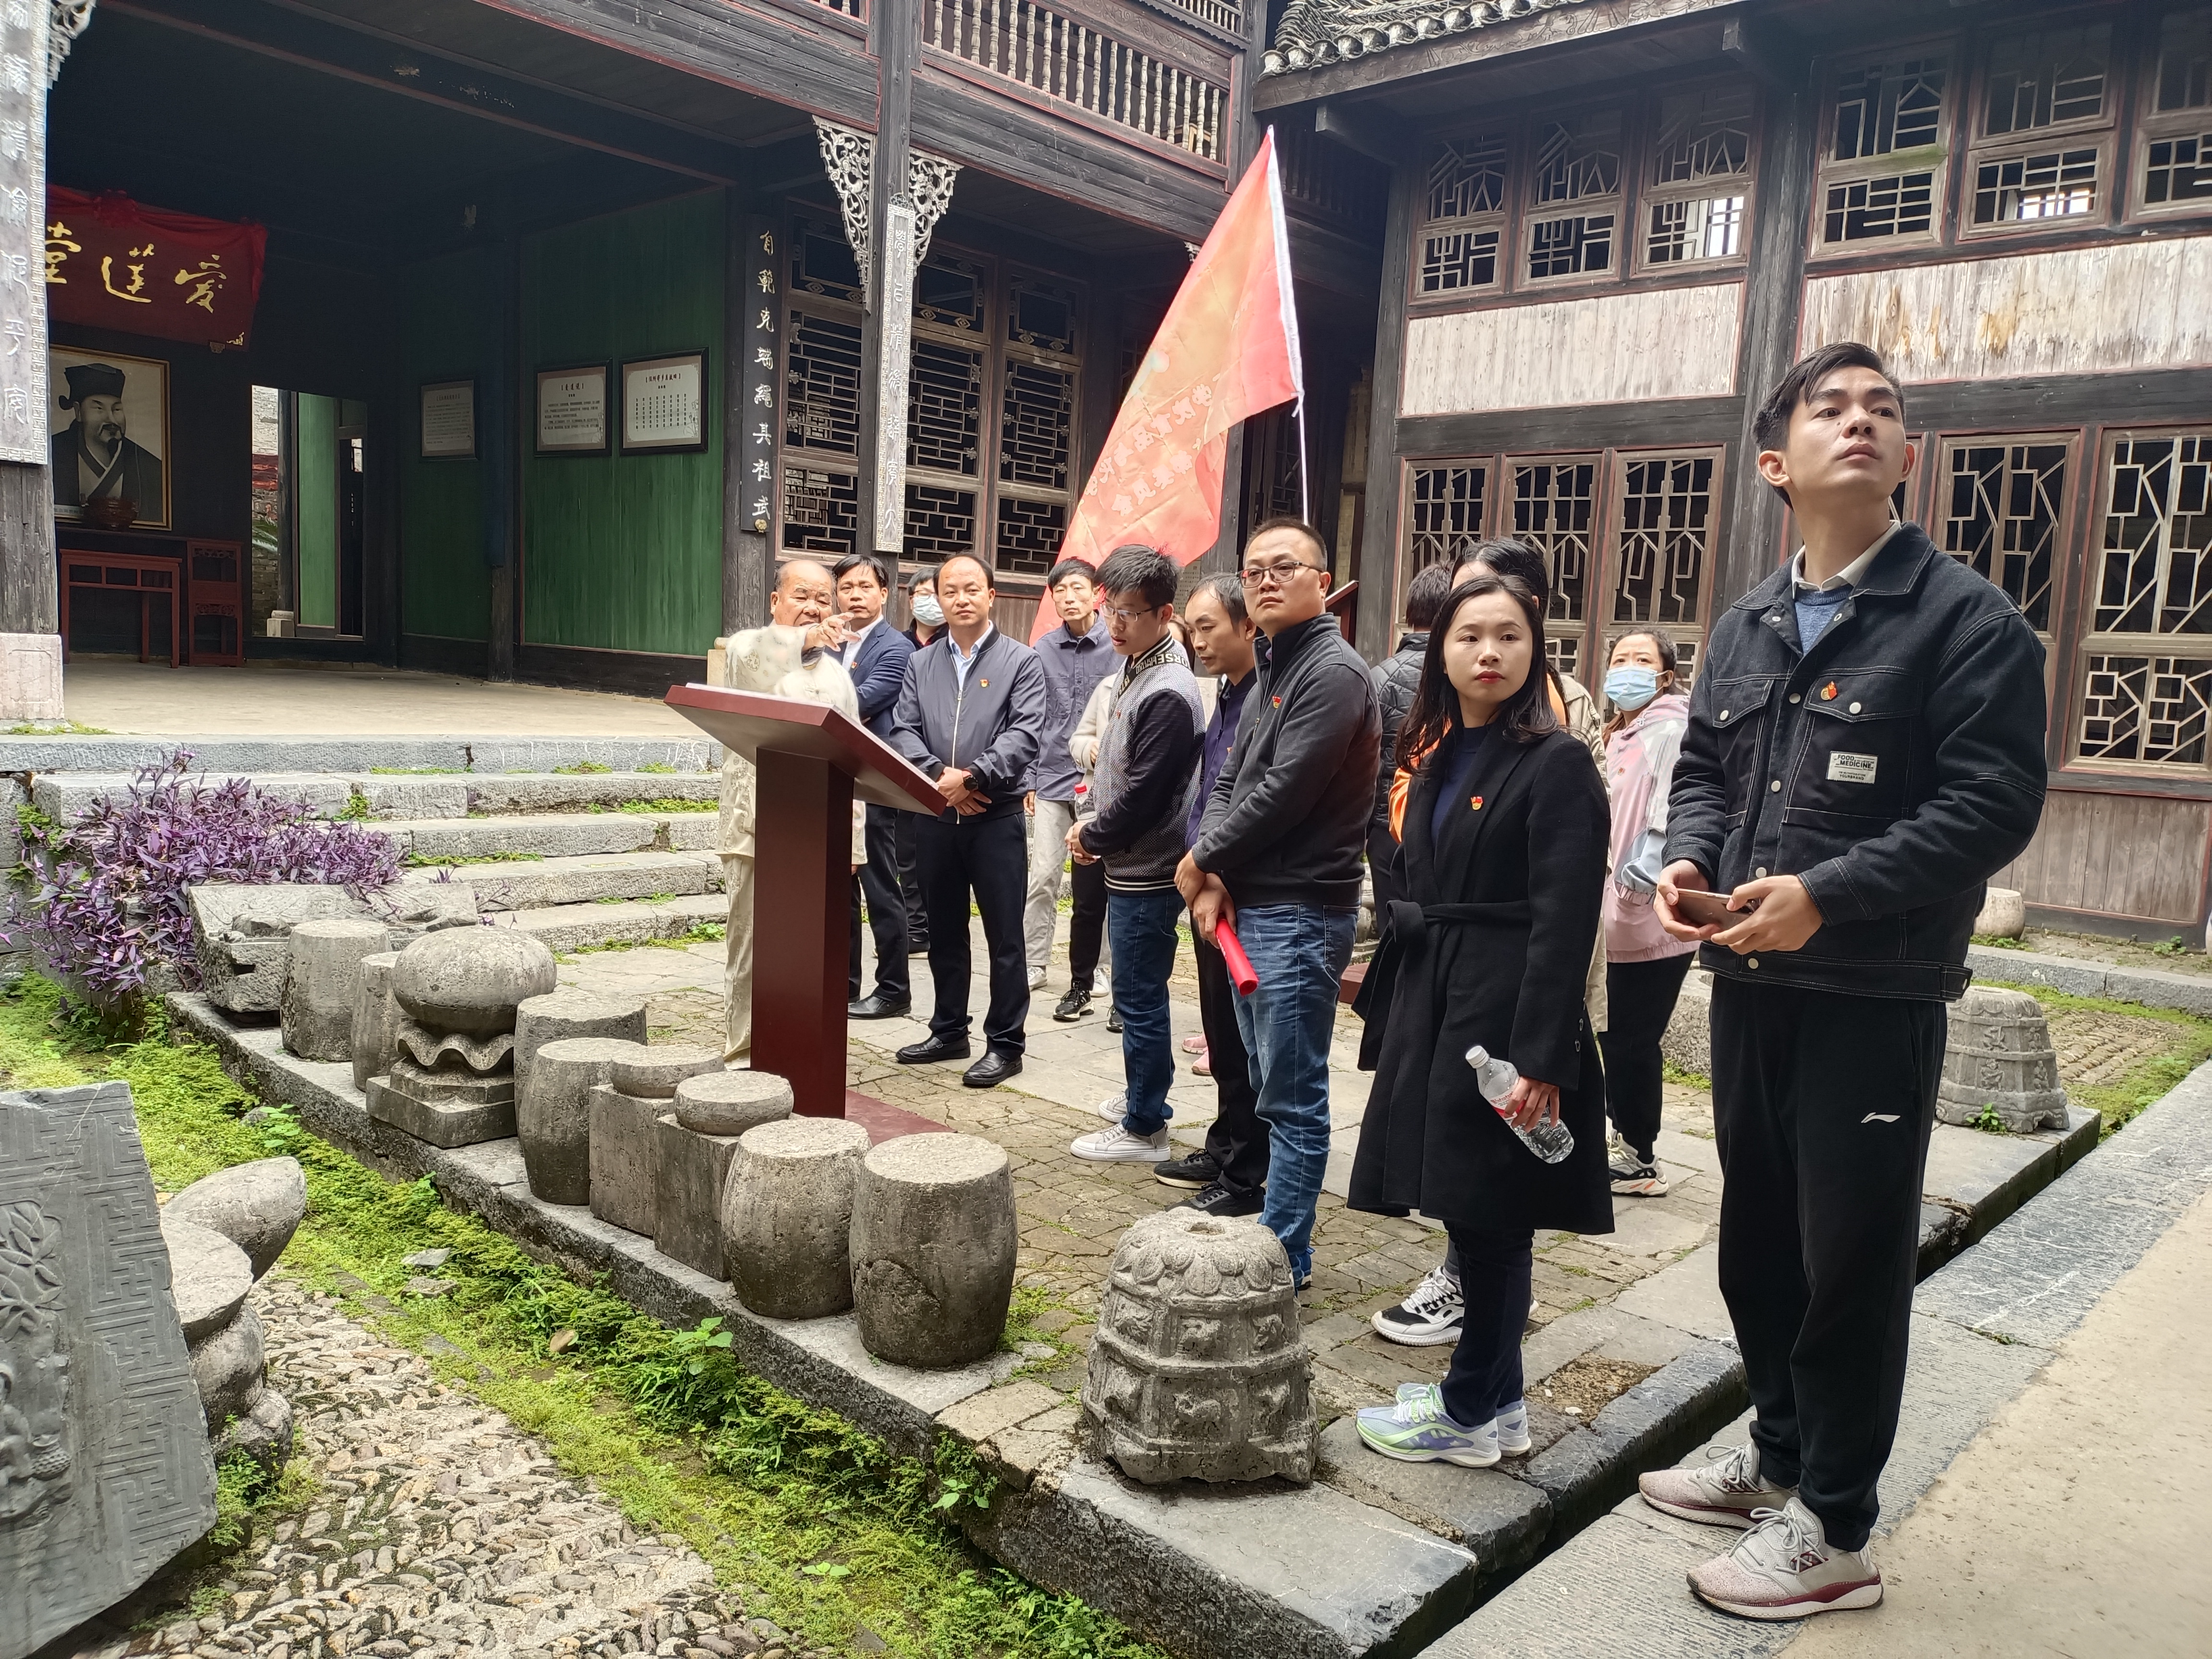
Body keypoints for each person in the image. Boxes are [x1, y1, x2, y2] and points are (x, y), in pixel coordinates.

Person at [1638, 342, 2046, 1621]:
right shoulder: (1751, 621)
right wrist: (1689, 855)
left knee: (1850, 1261)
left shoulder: (1964, 620)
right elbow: (1704, 763)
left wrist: (1833, 895)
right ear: (1779, 462)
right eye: (1830, 408)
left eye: (1883, 410)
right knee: (1757, 1246)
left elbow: (1993, 805)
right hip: (1752, 983)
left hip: (1872, 994)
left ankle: (1838, 1530)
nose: (1859, 422)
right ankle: (1778, 1457)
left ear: (1906, 457)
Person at [1347, 571, 1611, 1468]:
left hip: (1502, 1007)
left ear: (1535, 650)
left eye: (1507, 636)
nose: (1488, 652)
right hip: (1438, 992)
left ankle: (1465, 1412)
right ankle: (1494, 1407)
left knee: (1495, 1216)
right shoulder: (1434, 750)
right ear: (1439, 650)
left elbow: (1565, 915)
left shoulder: (1557, 762)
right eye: (1469, 637)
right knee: (1470, 1212)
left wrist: (1541, 1054)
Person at [1176, 517, 1380, 1287]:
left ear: (1321, 582)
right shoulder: (1272, 668)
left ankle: (1285, 1253)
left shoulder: (1334, 672)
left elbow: (1285, 792)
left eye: (1284, 566)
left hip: (1300, 908)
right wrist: (1217, 872)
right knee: (1263, 1082)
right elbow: (1232, 778)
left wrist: (1203, 858)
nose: (1265, 578)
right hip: (1253, 900)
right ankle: (1276, 1231)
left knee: (1292, 1097)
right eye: (1254, 567)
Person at [887, 554, 1048, 1088]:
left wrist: (974, 778)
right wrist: (942, 779)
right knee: (945, 931)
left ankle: (1006, 1044)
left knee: (1005, 936)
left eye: (970, 588)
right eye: (949, 589)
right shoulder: (921, 662)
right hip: (936, 813)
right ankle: (950, 1029)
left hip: (995, 816)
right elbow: (903, 729)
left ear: (990, 595)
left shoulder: (1021, 662)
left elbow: (1024, 735)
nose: (959, 598)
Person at [1066, 547, 1204, 1165]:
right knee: (1135, 993)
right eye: (1109, 609)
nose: (1114, 624)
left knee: (1140, 998)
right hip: (1129, 860)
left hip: (1147, 867)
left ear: (1164, 612)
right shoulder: (1139, 665)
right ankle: (1139, 1098)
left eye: (1129, 612)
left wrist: (1095, 836)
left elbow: (1149, 794)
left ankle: (1147, 1124)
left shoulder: (1169, 689)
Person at [715, 558, 864, 1061]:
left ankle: (796, 1051)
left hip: (816, 832)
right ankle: (742, 1052)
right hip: (753, 827)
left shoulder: (838, 678)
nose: (814, 608)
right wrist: (805, 639)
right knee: (750, 946)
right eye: (802, 596)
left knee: (804, 951)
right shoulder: (747, 651)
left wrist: (854, 842)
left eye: (825, 600)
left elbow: (856, 758)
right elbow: (750, 656)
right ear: (775, 601)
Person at [1152, 572, 1264, 1214]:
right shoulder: (1225, 693)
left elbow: (1252, 800)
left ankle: (1246, 1172)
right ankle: (1225, 1144)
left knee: (1247, 1039)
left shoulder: (1267, 699)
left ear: (1248, 626)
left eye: (1207, 627)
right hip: (1205, 886)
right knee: (1220, 1031)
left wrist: (1213, 869)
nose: (1196, 641)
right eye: (1190, 629)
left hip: (1237, 889)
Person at [1596, 627, 1695, 1198]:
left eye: (1641, 660)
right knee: (1616, 1033)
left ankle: (1639, 1155)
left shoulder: (1671, 728)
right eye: (1619, 659)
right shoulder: (1623, 733)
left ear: (1665, 675)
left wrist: (1652, 857)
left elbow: (1669, 808)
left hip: (1651, 909)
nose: (1626, 669)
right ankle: (1621, 1137)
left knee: (1634, 1037)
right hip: (1615, 910)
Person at [1024, 559, 1119, 1010]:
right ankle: (1035, 962)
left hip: (1099, 784)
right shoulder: (1042, 648)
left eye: (1076, 588)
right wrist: (1027, 777)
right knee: (1042, 875)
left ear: (1097, 594)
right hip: (1049, 778)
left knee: (1096, 882)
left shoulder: (1118, 647)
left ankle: (1101, 966)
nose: (1068, 597)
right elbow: (1028, 716)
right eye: (1059, 590)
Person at [834, 553, 918, 1020]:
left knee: (880, 884)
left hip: (873, 783)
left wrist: (831, 701)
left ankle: (894, 989)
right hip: (834, 778)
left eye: (865, 587)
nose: (855, 596)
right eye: (847, 587)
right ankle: (844, 985)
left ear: (884, 593)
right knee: (839, 887)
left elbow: (853, 702)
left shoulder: (895, 648)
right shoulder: (827, 644)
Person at [1370, 564, 1456, 914]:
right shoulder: (1463, 677)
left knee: (1394, 939)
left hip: (1384, 827)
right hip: (1446, 830)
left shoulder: (1377, 677)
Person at [896, 566, 944, 955]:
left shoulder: (953, 648)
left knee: (933, 851)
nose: (931, 601)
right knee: (905, 851)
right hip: (902, 760)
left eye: (936, 593)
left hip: (943, 766)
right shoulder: (899, 645)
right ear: (911, 600)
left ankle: (933, 922)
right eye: (922, 594)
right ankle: (915, 927)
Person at [52, 361, 165, 514]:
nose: (111, 419)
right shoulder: (54, 454)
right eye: (99, 408)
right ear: (79, 412)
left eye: (117, 409)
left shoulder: (150, 467)